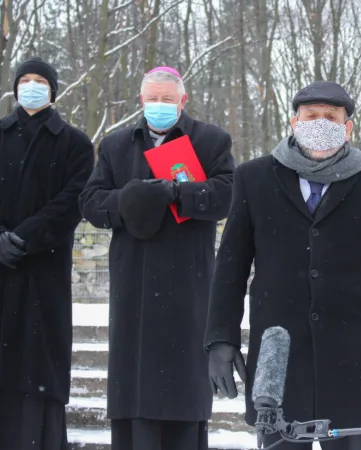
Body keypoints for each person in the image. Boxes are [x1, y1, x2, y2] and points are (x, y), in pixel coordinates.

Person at [205, 81, 361, 450]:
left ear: (347, 126)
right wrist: (220, 339)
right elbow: (231, 265)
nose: (320, 123)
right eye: (311, 116)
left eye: (331, 117)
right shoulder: (255, 178)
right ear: (295, 122)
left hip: (353, 359)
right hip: (280, 361)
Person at [78, 66, 235, 450]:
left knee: (182, 389)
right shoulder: (116, 146)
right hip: (134, 280)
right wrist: (129, 199)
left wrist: (178, 191)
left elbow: (227, 196)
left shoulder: (212, 141)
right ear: (141, 101)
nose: (160, 106)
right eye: (153, 99)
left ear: (183, 101)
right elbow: (91, 203)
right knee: (135, 390)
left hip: (188, 282)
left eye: (168, 99)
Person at [0, 57, 94, 449]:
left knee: (38, 367)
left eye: (41, 81)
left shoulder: (74, 143)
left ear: (53, 91)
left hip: (44, 272)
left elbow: (72, 200)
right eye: (26, 80)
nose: (33, 86)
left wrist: (24, 237)